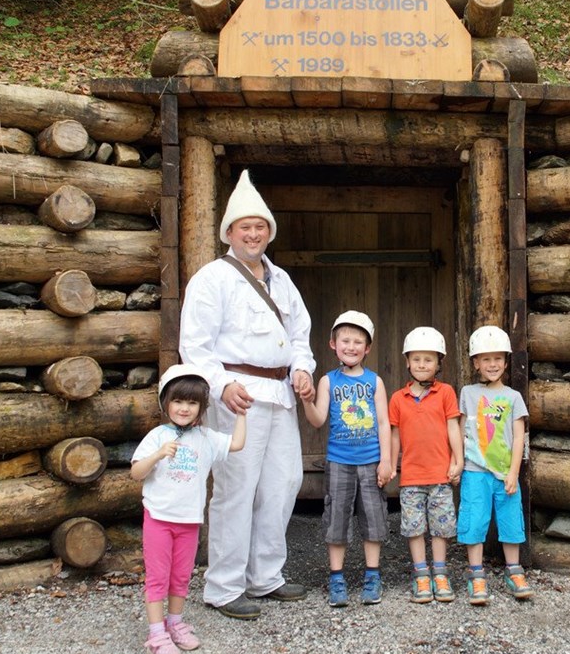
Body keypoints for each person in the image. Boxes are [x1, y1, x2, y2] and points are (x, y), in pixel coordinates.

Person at [179, 169, 316, 620]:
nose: (254, 234)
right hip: (237, 396)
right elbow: (195, 347)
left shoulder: (282, 280)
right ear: (230, 233)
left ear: (268, 233)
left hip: (279, 394)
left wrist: (301, 370)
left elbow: (300, 335)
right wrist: (221, 386)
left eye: (260, 227)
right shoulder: (212, 279)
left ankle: (265, 577)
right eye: (245, 227)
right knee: (236, 490)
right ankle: (223, 587)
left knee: (284, 482)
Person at [131, 364, 247, 654]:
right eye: (178, 401)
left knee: (181, 576)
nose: (184, 408)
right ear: (166, 403)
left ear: (200, 407)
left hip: (189, 521)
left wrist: (242, 416)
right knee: (159, 577)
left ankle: (175, 622)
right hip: (159, 518)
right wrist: (157, 455)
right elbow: (135, 472)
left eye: (192, 402)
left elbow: (236, 444)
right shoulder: (158, 436)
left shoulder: (205, 438)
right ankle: (157, 634)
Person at [305, 310, 392, 607]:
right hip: (339, 461)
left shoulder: (374, 381)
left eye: (358, 342)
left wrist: (387, 460)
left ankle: (372, 575)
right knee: (336, 518)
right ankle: (336, 577)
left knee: (373, 517)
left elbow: (383, 423)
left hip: (370, 460)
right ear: (333, 344)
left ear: (367, 348)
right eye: (345, 340)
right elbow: (317, 419)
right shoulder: (328, 381)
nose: (351, 346)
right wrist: (306, 399)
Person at [457, 325, 533, 605]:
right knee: (474, 520)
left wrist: (514, 471)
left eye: (497, 359)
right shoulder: (467, 393)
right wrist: (456, 462)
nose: (492, 364)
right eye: (485, 359)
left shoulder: (513, 397)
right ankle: (476, 574)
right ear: (476, 362)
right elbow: (461, 429)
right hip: (475, 471)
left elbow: (518, 437)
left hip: (505, 474)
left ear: (505, 361)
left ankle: (514, 571)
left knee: (511, 520)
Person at [388, 326, 463, 604]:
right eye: (417, 359)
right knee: (415, 527)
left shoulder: (445, 393)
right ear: (407, 361)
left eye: (428, 359)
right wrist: (391, 465)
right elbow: (394, 435)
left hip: (440, 474)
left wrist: (458, 459)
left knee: (441, 527)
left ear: (439, 363)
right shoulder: (398, 398)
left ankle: (440, 573)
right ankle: (421, 574)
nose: (422, 365)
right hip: (411, 476)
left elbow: (453, 427)